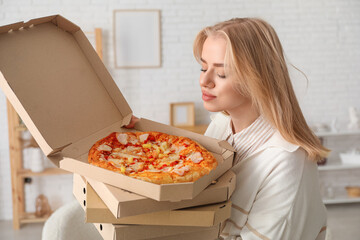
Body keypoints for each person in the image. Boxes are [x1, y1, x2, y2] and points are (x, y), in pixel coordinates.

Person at [128, 17, 329, 240]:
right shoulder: (221, 126)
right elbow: (193, 196)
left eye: (221, 73)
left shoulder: (287, 161)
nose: (204, 80)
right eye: (203, 67)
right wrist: (141, 142)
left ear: (258, 78)